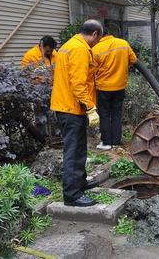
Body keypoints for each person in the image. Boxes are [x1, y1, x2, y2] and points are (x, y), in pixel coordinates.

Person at [50, 20, 102, 207]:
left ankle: (80, 183)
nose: (96, 43)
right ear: (95, 34)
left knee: (79, 148)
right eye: (97, 39)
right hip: (72, 108)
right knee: (73, 150)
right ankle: (72, 195)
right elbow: (78, 83)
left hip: (66, 105)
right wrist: (90, 108)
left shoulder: (68, 45)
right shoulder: (79, 49)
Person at [92, 30, 137, 150]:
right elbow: (133, 60)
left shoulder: (96, 49)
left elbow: (91, 70)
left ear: (100, 36)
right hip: (120, 87)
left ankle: (106, 143)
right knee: (117, 114)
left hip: (103, 88)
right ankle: (116, 141)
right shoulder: (123, 43)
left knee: (104, 114)